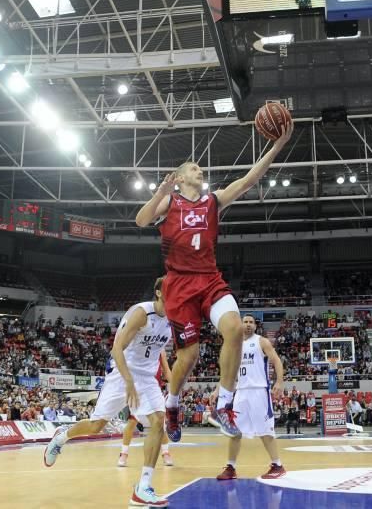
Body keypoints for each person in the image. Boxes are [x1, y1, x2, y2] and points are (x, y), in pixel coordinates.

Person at [135, 121, 294, 443]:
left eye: (200, 167)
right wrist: (160, 193)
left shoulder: (212, 202)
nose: (200, 170)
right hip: (178, 285)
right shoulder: (170, 203)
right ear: (179, 178)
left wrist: (277, 145)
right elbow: (141, 220)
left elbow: (249, 180)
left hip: (209, 279)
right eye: (194, 168)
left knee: (235, 329)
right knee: (189, 357)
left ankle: (223, 405)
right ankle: (173, 405)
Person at [44, 277, 172, 507]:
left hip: (146, 378)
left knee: (158, 421)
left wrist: (170, 379)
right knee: (96, 426)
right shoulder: (142, 313)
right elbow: (116, 348)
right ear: (159, 293)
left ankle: (143, 487)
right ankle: (62, 436)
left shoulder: (174, 319)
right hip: (122, 372)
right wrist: (129, 381)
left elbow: (162, 352)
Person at [216, 315, 286, 481]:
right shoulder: (234, 345)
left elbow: (277, 361)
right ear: (240, 325)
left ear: (255, 326)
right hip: (241, 392)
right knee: (234, 432)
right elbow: (227, 372)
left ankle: (278, 465)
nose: (247, 325)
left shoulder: (262, 341)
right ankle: (231, 467)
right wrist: (217, 389)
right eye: (245, 322)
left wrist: (279, 381)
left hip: (259, 391)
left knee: (265, 430)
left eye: (251, 322)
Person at [118, 355, 174, 468]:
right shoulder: (138, 344)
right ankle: (123, 453)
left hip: (153, 391)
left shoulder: (160, 349)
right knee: (132, 421)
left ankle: (165, 453)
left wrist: (175, 388)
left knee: (160, 424)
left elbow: (167, 370)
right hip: (137, 389)